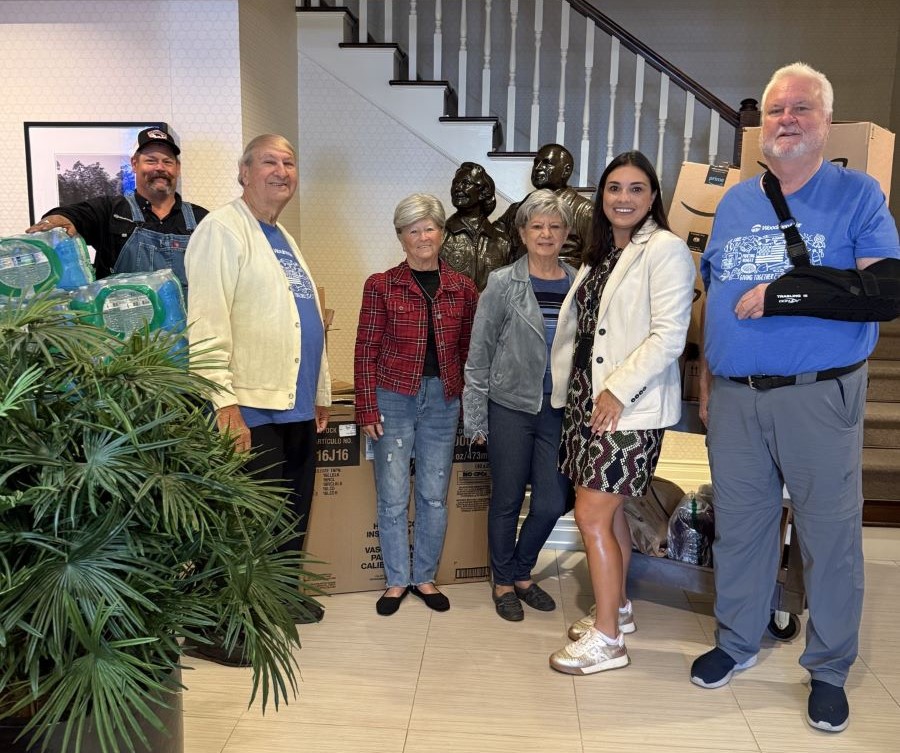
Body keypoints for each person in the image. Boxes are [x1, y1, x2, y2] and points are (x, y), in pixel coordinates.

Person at [691, 63, 900, 733]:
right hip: (734, 397)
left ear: (826, 123)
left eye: (802, 108)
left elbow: (887, 292)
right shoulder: (734, 202)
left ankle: (831, 666)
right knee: (743, 526)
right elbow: (715, 295)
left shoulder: (857, 194)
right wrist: (706, 378)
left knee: (829, 536)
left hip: (817, 397)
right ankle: (737, 639)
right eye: (775, 109)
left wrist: (789, 293)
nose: (785, 118)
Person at [184, 134, 331, 661]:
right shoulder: (222, 230)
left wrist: (319, 390)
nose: (281, 171)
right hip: (248, 404)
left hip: (291, 402)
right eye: (269, 161)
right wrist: (222, 403)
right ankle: (213, 631)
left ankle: (276, 596)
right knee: (242, 523)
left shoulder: (281, 236)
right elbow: (204, 324)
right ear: (243, 172)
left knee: (290, 512)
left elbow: (305, 318)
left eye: (289, 162)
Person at [548, 151, 695, 674]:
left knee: (590, 516)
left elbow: (669, 336)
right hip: (587, 403)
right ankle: (620, 609)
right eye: (614, 188)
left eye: (636, 188)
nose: (624, 198)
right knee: (607, 516)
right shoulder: (600, 253)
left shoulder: (667, 251)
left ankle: (607, 641)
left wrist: (617, 392)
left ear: (653, 196)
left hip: (625, 409)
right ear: (601, 197)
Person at [354, 194, 478, 616]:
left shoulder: (462, 288)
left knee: (433, 495)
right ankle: (395, 580)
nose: (422, 237)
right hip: (393, 398)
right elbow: (365, 348)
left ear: (441, 233)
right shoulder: (381, 285)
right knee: (391, 494)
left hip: (443, 401)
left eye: (429, 228)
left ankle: (423, 576)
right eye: (413, 230)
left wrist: (466, 403)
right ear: (401, 237)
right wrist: (367, 408)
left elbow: (467, 351)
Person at [463, 189, 576, 621]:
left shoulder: (578, 283)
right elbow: (479, 356)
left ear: (566, 233)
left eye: (554, 226)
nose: (546, 234)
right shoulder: (502, 282)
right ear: (523, 232)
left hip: (558, 409)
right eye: (537, 226)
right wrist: (476, 418)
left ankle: (522, 570)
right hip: (509, 405)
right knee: (507, 500)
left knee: (550, 502)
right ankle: (505, 582)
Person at [27, 127, 207, 291]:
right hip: (120, 323)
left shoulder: (203, 220)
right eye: (151, 161)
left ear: (177, 168)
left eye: (167, 162)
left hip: (187, 325)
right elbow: (73, 215)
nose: (160, 168)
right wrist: (58, 219)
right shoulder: (109, 211)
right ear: (135, 164)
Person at [497, 143, 593, 266]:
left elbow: (595, 262)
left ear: (566, 170)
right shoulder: (516, 209)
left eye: (547, 163)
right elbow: (495, 240)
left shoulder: (584, 210)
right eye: (536, 162)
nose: (538, 167)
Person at [440, 161, 510, 291]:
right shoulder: (440, 237)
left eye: (465, 183)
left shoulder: (502, 241)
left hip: (491, 311)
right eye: (455, 183)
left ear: (483, 192)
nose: (457, 188)